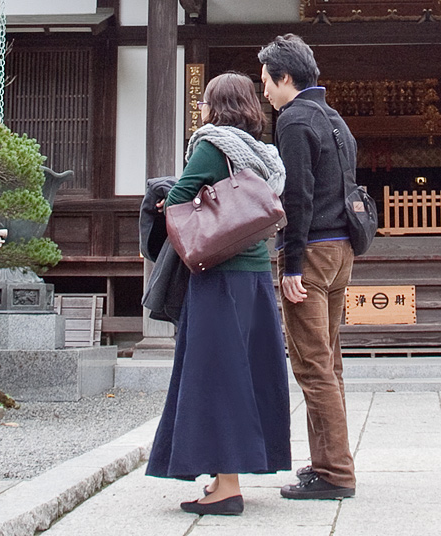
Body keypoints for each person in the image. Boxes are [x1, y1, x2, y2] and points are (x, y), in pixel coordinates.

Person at [145, 72, 291, 516]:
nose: (202, 111)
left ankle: (226, 487)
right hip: (255, 277)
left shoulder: (212, 145)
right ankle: (231, 473)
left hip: (218, 275)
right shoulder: (264, 153)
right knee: (247, 373)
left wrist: (163, 199)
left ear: (215, 107)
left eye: (206, 103)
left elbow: (181, 199)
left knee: (215, 378)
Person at [258, 34, 357, 500]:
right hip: (341, 252)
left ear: (285, 78)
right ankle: (326, 464)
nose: (265, 93)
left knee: (312, 365)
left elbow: (296, 196)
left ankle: (336, 473)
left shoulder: (294, 120)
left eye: (267, 82)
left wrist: (291, 264)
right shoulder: (334, 118)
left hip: (311, 255)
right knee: (329, 362)